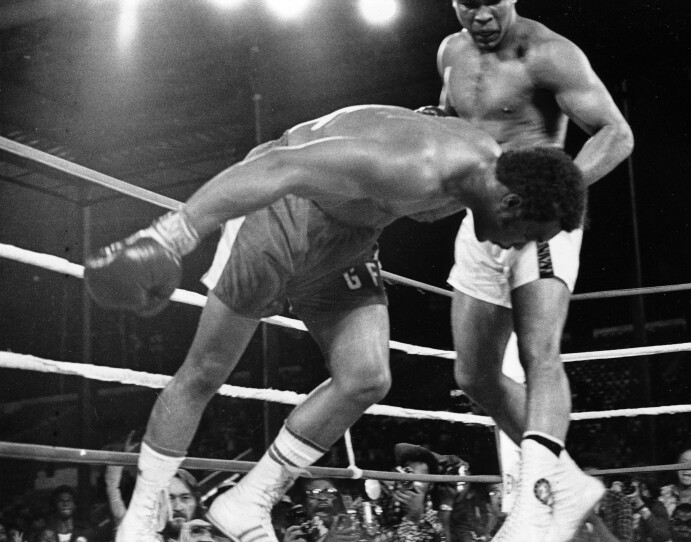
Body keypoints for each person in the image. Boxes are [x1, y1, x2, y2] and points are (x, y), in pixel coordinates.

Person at [84, 104, 585, 542]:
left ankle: (248, 500)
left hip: (349, 240)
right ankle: (140, 523)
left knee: (366, 376)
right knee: (205, 372)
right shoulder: (414, 166)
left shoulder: (480, 174)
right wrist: (174, 234)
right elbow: (280, 166)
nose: (512, 247)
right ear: (513, 203)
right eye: (524, 235)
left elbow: (425, 205)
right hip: (282, 214)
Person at [436, 1, 634, 540]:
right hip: (481, 220)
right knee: (473, 374)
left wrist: (553, 193)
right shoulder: (450, 52)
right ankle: (568, 483)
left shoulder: (548, 54)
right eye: (465, 4)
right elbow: (453, 122)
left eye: (489, 3)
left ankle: (535, 501)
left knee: (538, 352)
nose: (478, 16)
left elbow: (617, 134)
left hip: (542, 219)